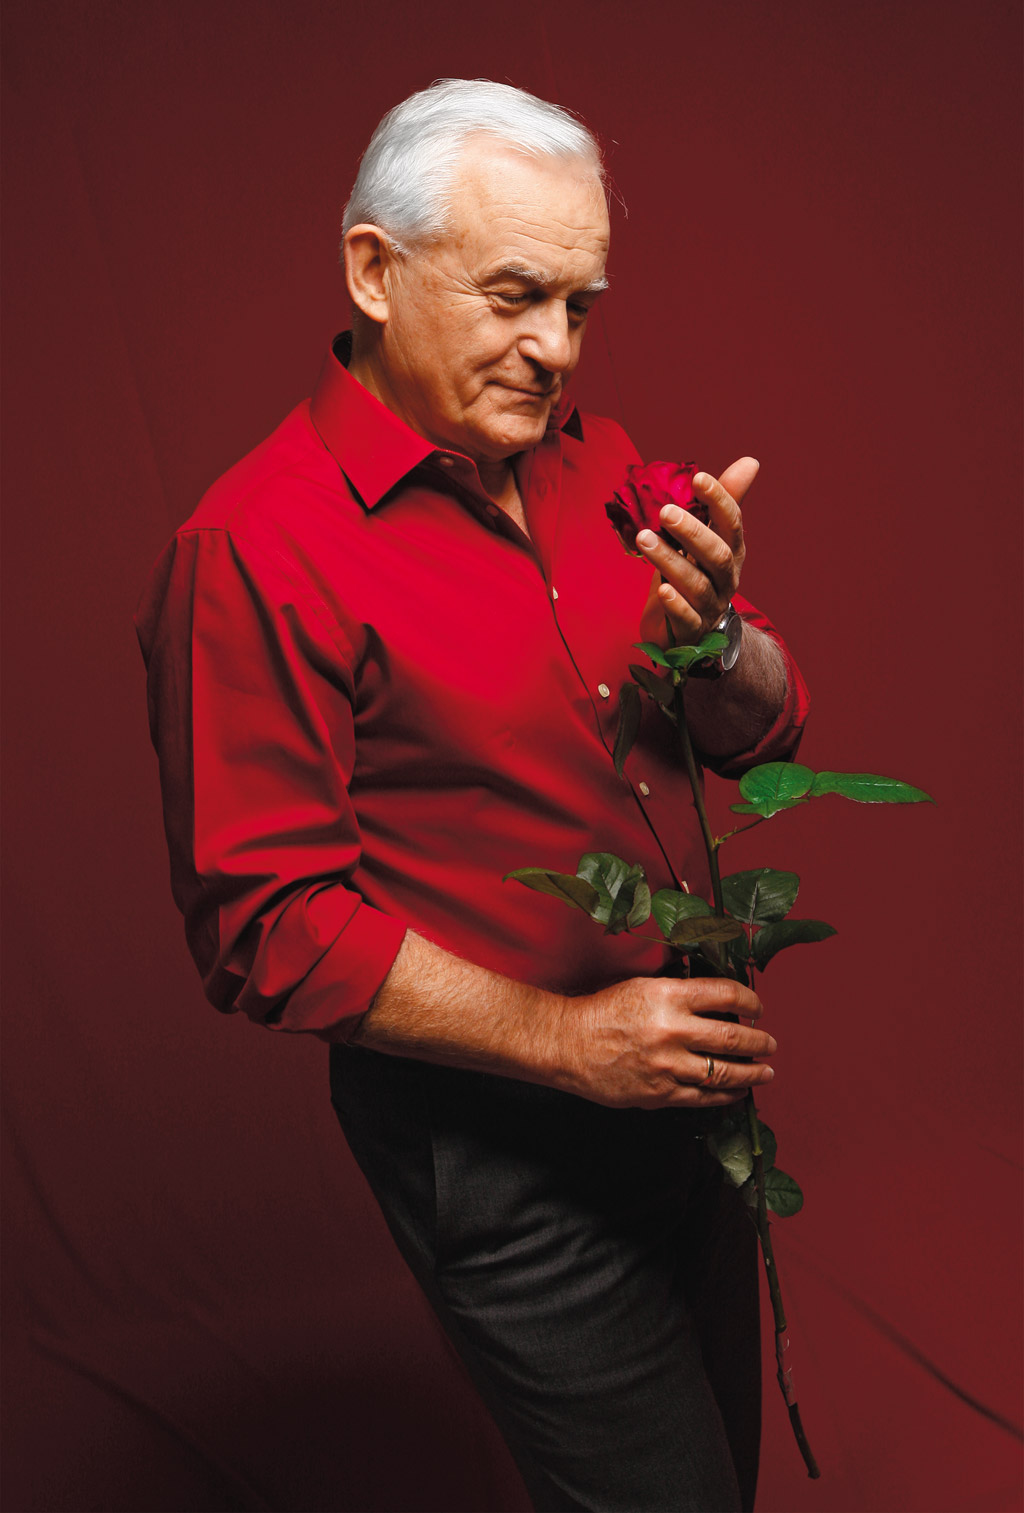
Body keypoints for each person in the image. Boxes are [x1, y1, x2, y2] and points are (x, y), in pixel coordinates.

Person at [136, 78, 809, 1513]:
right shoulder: (253, 548)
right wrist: (572, 1042)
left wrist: (720, 642)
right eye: (516, 296)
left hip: (683, 1093)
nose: (557, 346)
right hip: (505, 1142)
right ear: (374, 272)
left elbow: (759, 730)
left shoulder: (601, 466)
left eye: (580, 304)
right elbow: (267, 924)